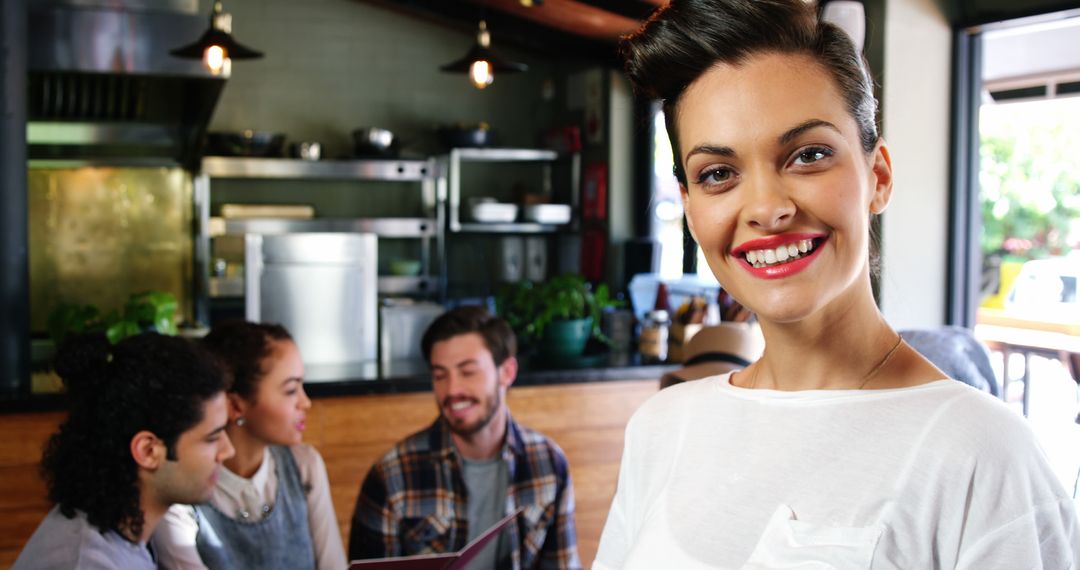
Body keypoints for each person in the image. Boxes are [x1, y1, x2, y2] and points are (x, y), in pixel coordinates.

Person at [595, 0, 1080, 568]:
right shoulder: (661, 428)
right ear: (690, 207)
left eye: (808, 155)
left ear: (878, 176)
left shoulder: (982, 453)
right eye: (718, 174)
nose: (767, 208)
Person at [349, 306, 581, 569]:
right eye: (440, 375)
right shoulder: (392, 475)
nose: (452, 389)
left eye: (468, 372)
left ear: (507, 372)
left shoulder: (549, 464)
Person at [14, 333, 234, 569]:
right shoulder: (90, 562)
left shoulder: (117, 530)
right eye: (212, 438)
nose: (227, 451)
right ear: (149, 451)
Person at [152, 321, 346, 569]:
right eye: (290, 390)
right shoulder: (181, 487)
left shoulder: (304, 465)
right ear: (235, 405)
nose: (305, 402)